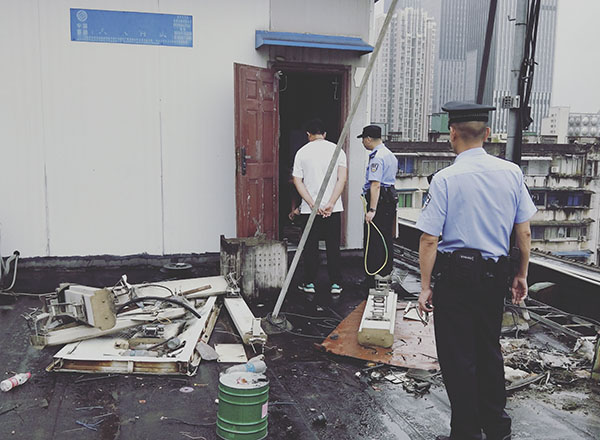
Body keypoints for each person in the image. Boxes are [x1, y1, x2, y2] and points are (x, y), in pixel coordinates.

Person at [416, 102, 537, 440]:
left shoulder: (445, 179)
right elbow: (524, 232)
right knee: (488, 351)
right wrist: (521, 274)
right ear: (487, 134)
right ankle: (498, 429)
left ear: (452, 133)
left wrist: (425, 286)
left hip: (455, 280)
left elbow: (429, 239)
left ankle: (466, 433)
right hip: (494, 278)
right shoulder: (512, 173)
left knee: (458, 358)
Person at [292, 118, 347, 295]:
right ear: (324, 134)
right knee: (333, 246)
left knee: (310, 247)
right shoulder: (338, 151)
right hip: (333, 209)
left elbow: (297, 181)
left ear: (308, 134)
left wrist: (312, 203)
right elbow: (342, 179)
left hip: (310, 209)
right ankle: (336, 283)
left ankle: (309, 283)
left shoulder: (302, 152)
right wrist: (330, 203)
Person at [358, 124, 398, 287]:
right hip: (389, 198)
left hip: (379, 200)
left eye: (363, 139)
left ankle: (372, 277)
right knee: (386, 237)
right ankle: (385, 274)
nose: (363, 143)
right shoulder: (389, 155)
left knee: (373, 239)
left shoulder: (377, 157)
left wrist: (372, 210)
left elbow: (375, 185)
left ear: (368, 139)